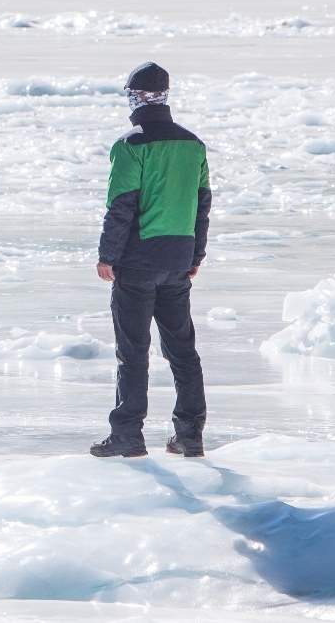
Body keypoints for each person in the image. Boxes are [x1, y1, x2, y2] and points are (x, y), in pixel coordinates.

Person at [89, 61, 210, 459]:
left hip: (138, 261)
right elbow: (202, 205)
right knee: (182, 351)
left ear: (135, 98)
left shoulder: (130, 145)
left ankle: (128, 434)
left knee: (133, 351)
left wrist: (107, 256)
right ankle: (189, 434)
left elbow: (121, 206)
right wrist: (196, 253)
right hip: (178, 259)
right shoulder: (193, 145)